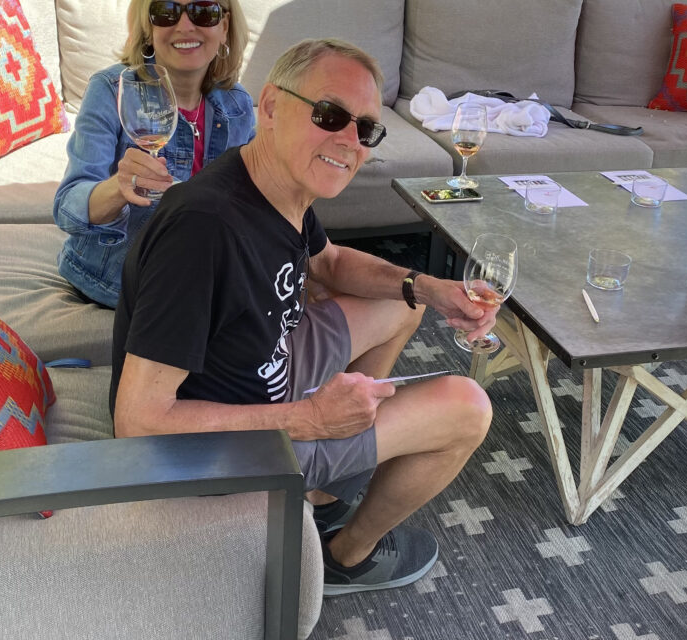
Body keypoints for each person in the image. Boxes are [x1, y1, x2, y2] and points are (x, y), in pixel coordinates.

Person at [111, 38, 494, 595]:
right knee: (468, 408)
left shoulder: (271, 183)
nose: (348, 141)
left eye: (364, 128)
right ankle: (347, 554)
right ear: (270, 106)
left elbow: (331, 263)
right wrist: (312, 418)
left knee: (399, 304)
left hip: (266, 363)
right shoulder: (202, 231)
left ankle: (323, 494)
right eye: (329, 114)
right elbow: (139, 422)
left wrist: (426, 286)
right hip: (226, 448)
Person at [53, 0, 254, 308]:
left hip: (202, 272)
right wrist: (119, 187)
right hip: (115, 278)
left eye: (203, 12)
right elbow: (67, 207)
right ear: (148, 27)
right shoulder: (111, 89)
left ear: (224, 26)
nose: (185, 26)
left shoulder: (236, 104)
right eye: (167, 12)